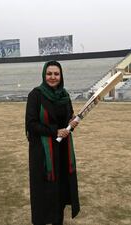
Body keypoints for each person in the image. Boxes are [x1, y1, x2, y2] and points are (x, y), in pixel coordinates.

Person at [26, 60, 80, 225]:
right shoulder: (36, 95)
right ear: (44, 75)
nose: (53, 77)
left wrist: (72, 123)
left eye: (56, 74)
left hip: (62, 150)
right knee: (44, 191)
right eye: (49, 73)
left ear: (61, 76)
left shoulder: (65, 96)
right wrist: (54, 131)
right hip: (43, 153)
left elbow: (68, 120)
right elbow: (31, 124)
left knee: (60, 190)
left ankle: (58, 221)